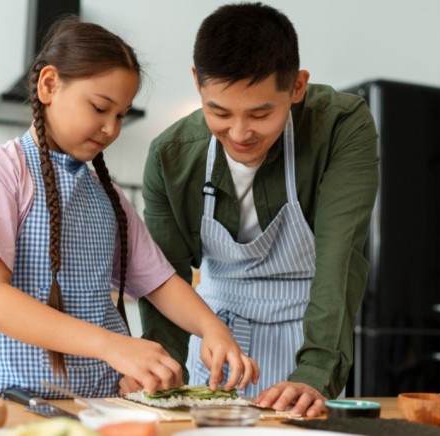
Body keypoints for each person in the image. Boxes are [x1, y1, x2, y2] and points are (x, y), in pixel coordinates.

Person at [0, 17, 258, 398]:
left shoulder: (107, 196)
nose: (111, 129)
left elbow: (160, 283)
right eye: (99, 108)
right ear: (49, 85)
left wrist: (213, 330)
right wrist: (111, 345)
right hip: (13, 402)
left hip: (99, 403)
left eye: (120, 115)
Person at [138, 2, 379, 417]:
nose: (239, 133)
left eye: (261, 113)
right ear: (198, 83)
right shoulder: (170, 156)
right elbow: (163, 274)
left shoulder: (341, 126)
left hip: (308, 337)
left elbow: (340, 258)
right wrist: (162, 374)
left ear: (297, 87)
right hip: (212, 345)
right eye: (218, 111)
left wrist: (315, 373)